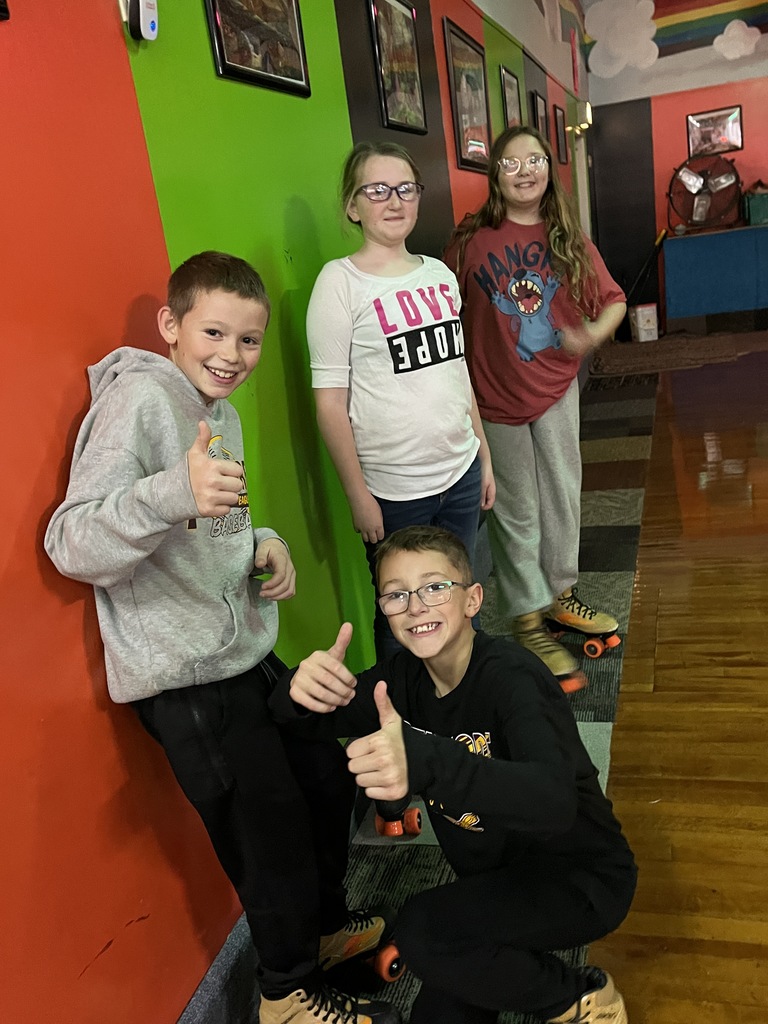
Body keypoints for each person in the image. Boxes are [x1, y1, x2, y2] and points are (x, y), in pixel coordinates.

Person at [44, 251, 400, 1024]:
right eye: (213, 332)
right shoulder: (138, 401)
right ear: (171, 326)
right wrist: (174, 492)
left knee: (324, 767)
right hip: (184, 677)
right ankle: (283, 993)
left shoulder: (221, 411)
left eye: (248, 340)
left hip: (242, 651)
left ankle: (326, 929)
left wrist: (261, 543)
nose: (231, 356)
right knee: (265, 829)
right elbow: (70, 542)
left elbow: (223, 521)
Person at [269, 524, 636, 1024]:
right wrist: (297, 690)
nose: (416, 606)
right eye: (397, 594)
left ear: (472, 600)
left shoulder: (515, 679)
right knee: (440, 1002)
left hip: (582, 877)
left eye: (435, 586)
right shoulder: (399, 683)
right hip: (495, 882)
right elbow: (310, 718)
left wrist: (424, 760)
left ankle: (576, 997)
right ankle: (515, 965)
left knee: (423, 931)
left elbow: (552, 803)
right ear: (384, 610)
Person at [444, 126, 627, 691]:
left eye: (536, 160)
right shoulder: (471, 240)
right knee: (517, 510)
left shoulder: (566, 235)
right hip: (494, 399)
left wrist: (591, 335)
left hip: (554, 390)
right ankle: (527, 618)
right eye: (511, 162)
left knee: (563, 496)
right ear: (494, 174)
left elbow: (615, 300)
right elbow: (443, 314)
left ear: (550, 167)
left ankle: (560, 595)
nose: (525, 171)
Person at [306, 141, 495, 659]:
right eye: (377, 189)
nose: (394, 200)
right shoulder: (339, 284)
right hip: (393, 492)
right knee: (403, 613)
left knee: (453, 599)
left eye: (406, 188)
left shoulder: (437, 274)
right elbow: (329, 406)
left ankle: (456, 703)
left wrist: (483, 456)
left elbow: (458, 373)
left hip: (458, 475)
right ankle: (405, 724)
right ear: (353, 205)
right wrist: (358, 496)